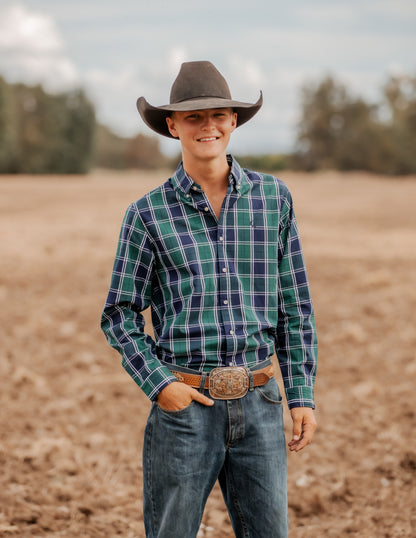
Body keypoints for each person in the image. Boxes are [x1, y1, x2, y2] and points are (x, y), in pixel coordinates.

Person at [101, 60, 317, 538]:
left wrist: (301, 394)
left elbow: (294, 304)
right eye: (194, 117)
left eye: (218, 114)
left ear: (234, 121)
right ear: (173, 125)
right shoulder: (146, 215)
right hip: (184, 408)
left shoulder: (273, 199)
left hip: (260, 403)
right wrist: (162, 386)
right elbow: (119, 315)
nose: (208, 126)